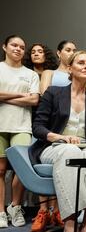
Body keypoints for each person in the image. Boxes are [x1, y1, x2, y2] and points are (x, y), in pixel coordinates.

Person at [29, 51, 86, 232]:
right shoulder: (53, 93)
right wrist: (61, 137)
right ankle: (71, 221)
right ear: (70, 68)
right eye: (81, 63)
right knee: (70, 152)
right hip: (54, 146)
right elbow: (38, 127)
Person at [0, 35, 40, 228]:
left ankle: (15, 208)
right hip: (0, 125)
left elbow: (33, 100)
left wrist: (4, 97)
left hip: (22, 126)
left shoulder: (31, 74)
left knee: (21, 169)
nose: (18, 49)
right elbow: (27, 97)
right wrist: (21, 95)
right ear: (5, 47)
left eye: (22, 47)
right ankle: (0, 212)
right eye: (14, 45)